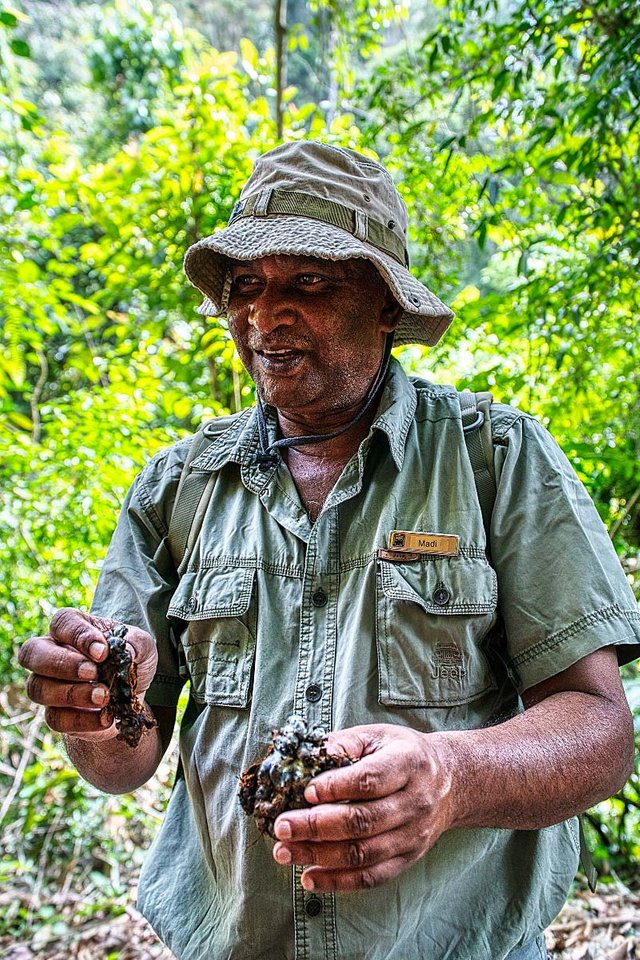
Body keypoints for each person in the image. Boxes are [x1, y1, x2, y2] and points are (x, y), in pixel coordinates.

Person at [19, 141, 639, 960]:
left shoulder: (498, 460)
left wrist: (450, 776)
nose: (264, 315)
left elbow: (600, 732)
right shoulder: (178, 489)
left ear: (386, 306)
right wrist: (97, 712)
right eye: (246, 286)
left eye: (308, 283)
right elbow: (123, 763)